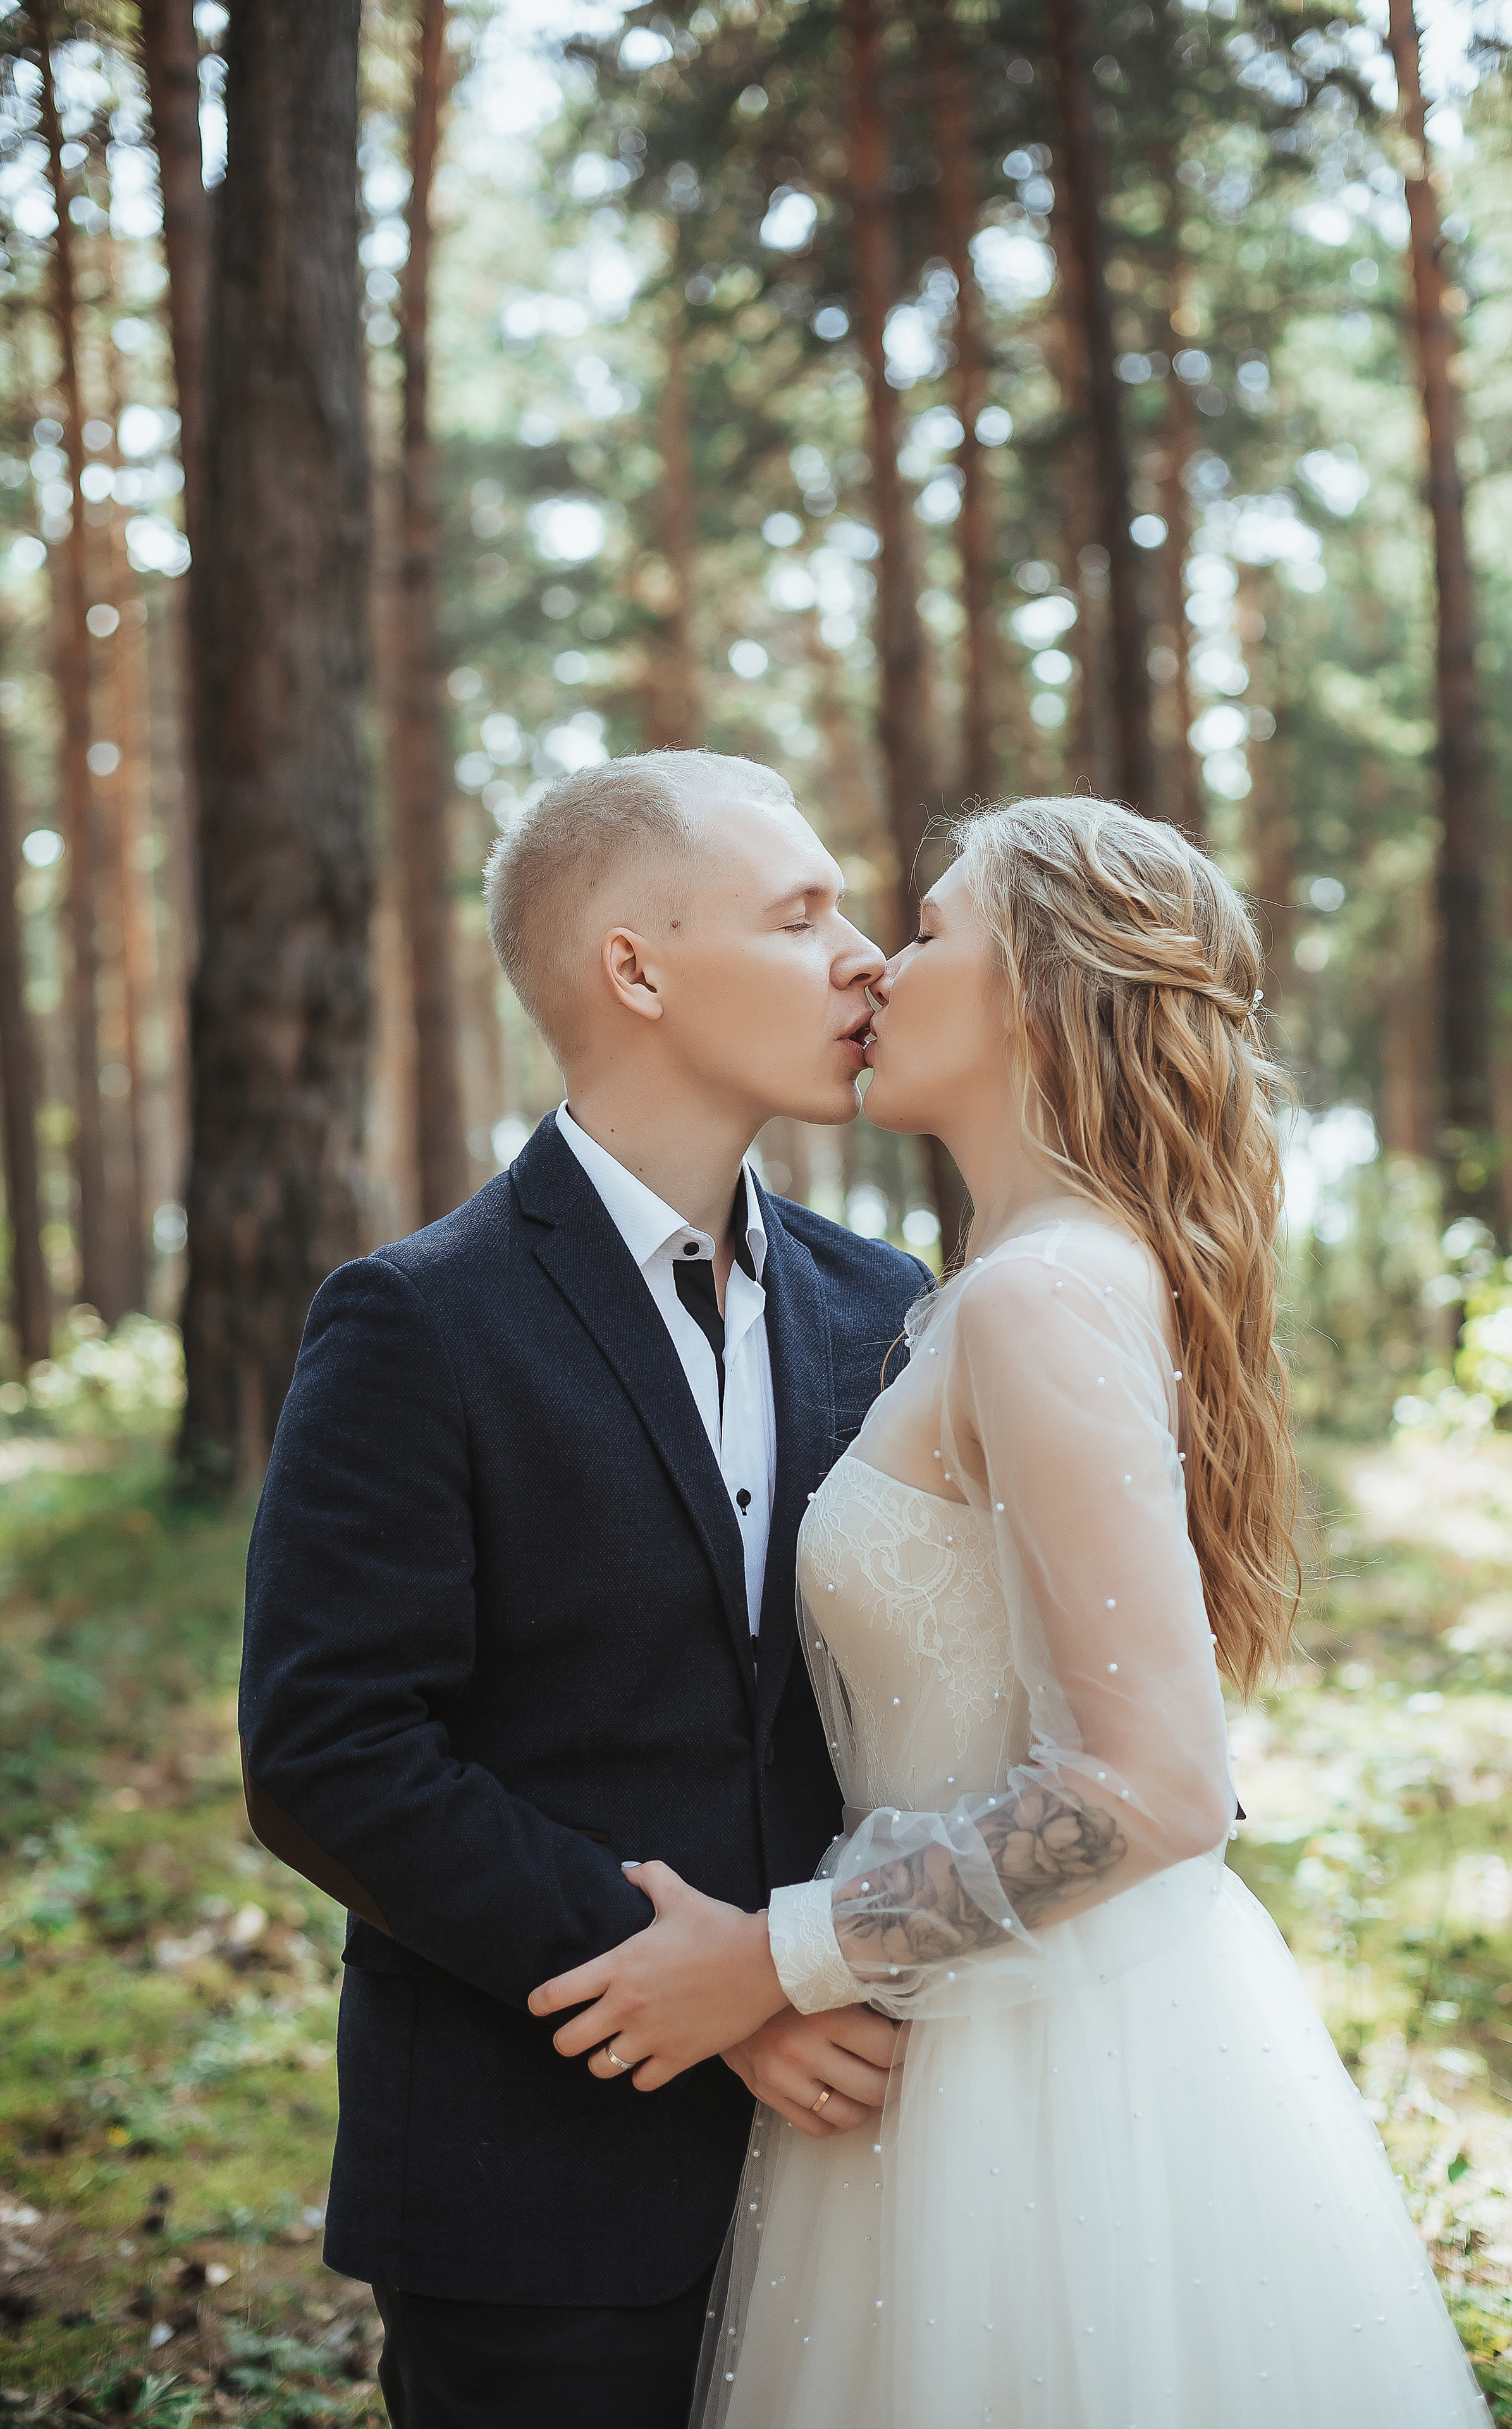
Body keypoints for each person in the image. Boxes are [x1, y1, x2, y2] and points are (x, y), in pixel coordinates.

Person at [534, 796, 1491, 2429]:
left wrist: (783, 1954)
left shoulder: (1045, 1294)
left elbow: (1162, 1787)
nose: (878, 970)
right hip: (964, 2020)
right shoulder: (990, 1290)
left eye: (924, 932)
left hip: (1048, 2064)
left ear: (1039, 990)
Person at [238, 750, 931, 2429]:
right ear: (637, 967)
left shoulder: (891, 1303)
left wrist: (795, 1968)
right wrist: (690, 1980)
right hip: (534, 2176)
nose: (868, 957)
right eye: (803, 913)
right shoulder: (417, 1322)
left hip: (874, 2161)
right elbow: (331, 1752)